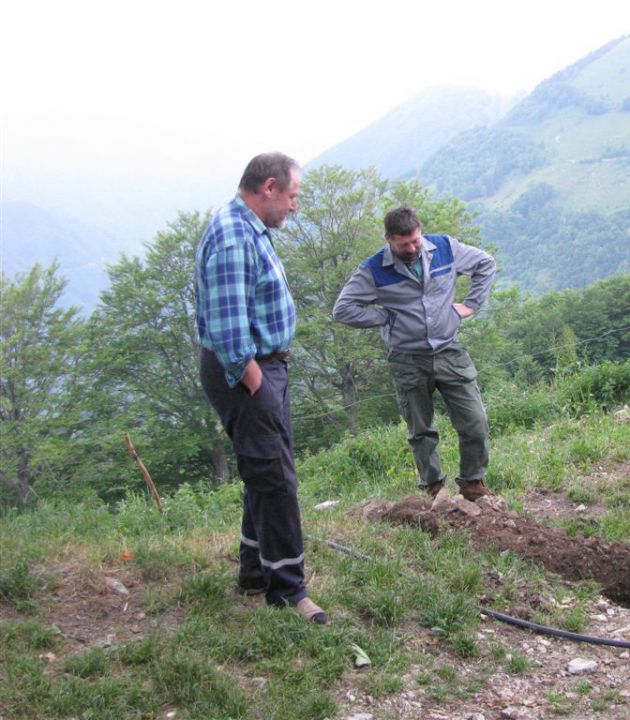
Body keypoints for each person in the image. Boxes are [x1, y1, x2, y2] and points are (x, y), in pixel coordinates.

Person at [195, 152, 328, 624]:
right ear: (268, 187)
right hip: (247, 373)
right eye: (292, 196)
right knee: (276, 478)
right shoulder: (234, 237)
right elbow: (231, 336)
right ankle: (288, 590)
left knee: (263, 466)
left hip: (263, 367)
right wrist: (258, 383)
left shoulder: (251, 228)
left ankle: (254, 570)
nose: (295, 207)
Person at [333, 206, 496, 500]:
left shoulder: (445, 247)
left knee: (475, 422)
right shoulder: (373, 269)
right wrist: (385, 318)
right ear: (388, 239)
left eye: (415, 241)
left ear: (420, 233)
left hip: (449, 350)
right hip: (407, 359)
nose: (410, 248)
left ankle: (473, 483)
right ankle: (434, 489)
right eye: (402, 244)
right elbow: (343, 309)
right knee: (421, 430)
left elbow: (486, 263)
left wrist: (471, 304)